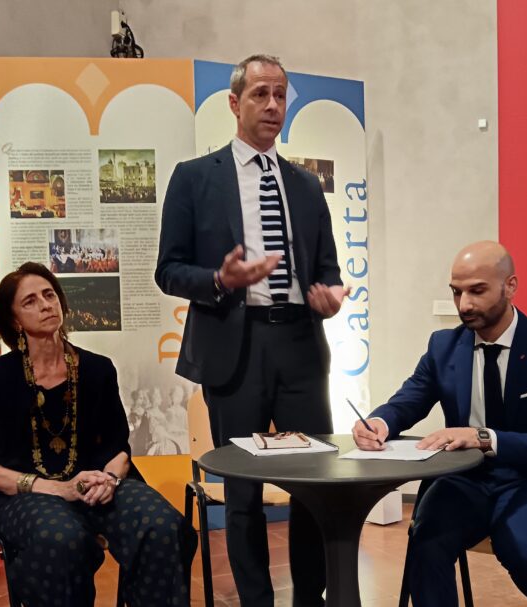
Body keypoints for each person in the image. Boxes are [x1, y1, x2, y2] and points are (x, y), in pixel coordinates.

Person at [155, 54, 345, 607]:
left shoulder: (306, 185)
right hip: (233, 347)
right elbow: (168, 270)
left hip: (300, 345)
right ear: (234, 103)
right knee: (243, 492)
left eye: (281, 94)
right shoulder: (195, 178)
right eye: (261, 94)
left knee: (313, 485)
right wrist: (220, 279)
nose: (272, 105)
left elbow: (328, 269)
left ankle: (310, 598)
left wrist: (329, 298)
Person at [352, 241, 527, 607]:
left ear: (510, 286)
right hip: (470, 478)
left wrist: (481, 437)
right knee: (426, 541)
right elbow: (410, 399)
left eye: (477, 291)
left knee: (520, 545)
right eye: (456, 292)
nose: (464, 304)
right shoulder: (444, 347)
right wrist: (380, 422)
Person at [0, 262, 195, 607]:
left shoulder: (97, 369)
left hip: (97, 485)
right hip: (28, 494)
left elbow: (118, 447)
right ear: (14, 321)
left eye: (49, 295)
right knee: (61, 540)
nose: (45, 305)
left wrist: (109, 480)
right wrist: (60, 488)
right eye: (30, 301)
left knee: (162, 527)